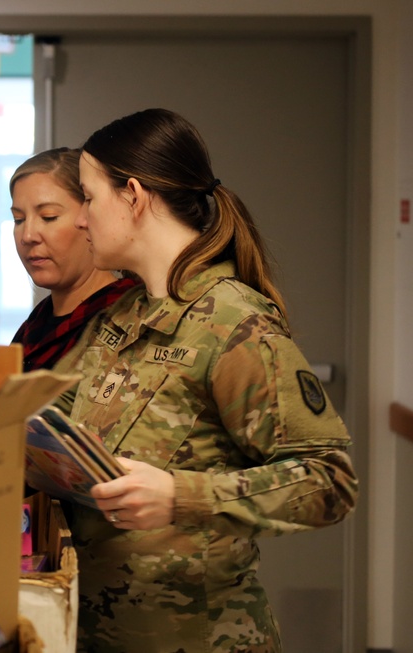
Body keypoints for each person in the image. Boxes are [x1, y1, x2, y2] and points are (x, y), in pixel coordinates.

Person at [50, 108, 358, 652]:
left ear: (135, 197)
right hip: (99, 633)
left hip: (199, 638)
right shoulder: (119, 320)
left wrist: (180, 496)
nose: (80, 220)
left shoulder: (233, 324)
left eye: (89, 199)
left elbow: (328, 481)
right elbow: (56, 426)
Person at [9, 147, 138, 371]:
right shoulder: (35, 325)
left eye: (49, 217)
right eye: (18, 219)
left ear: (89, 217)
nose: (27, 236)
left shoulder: (127, 316)